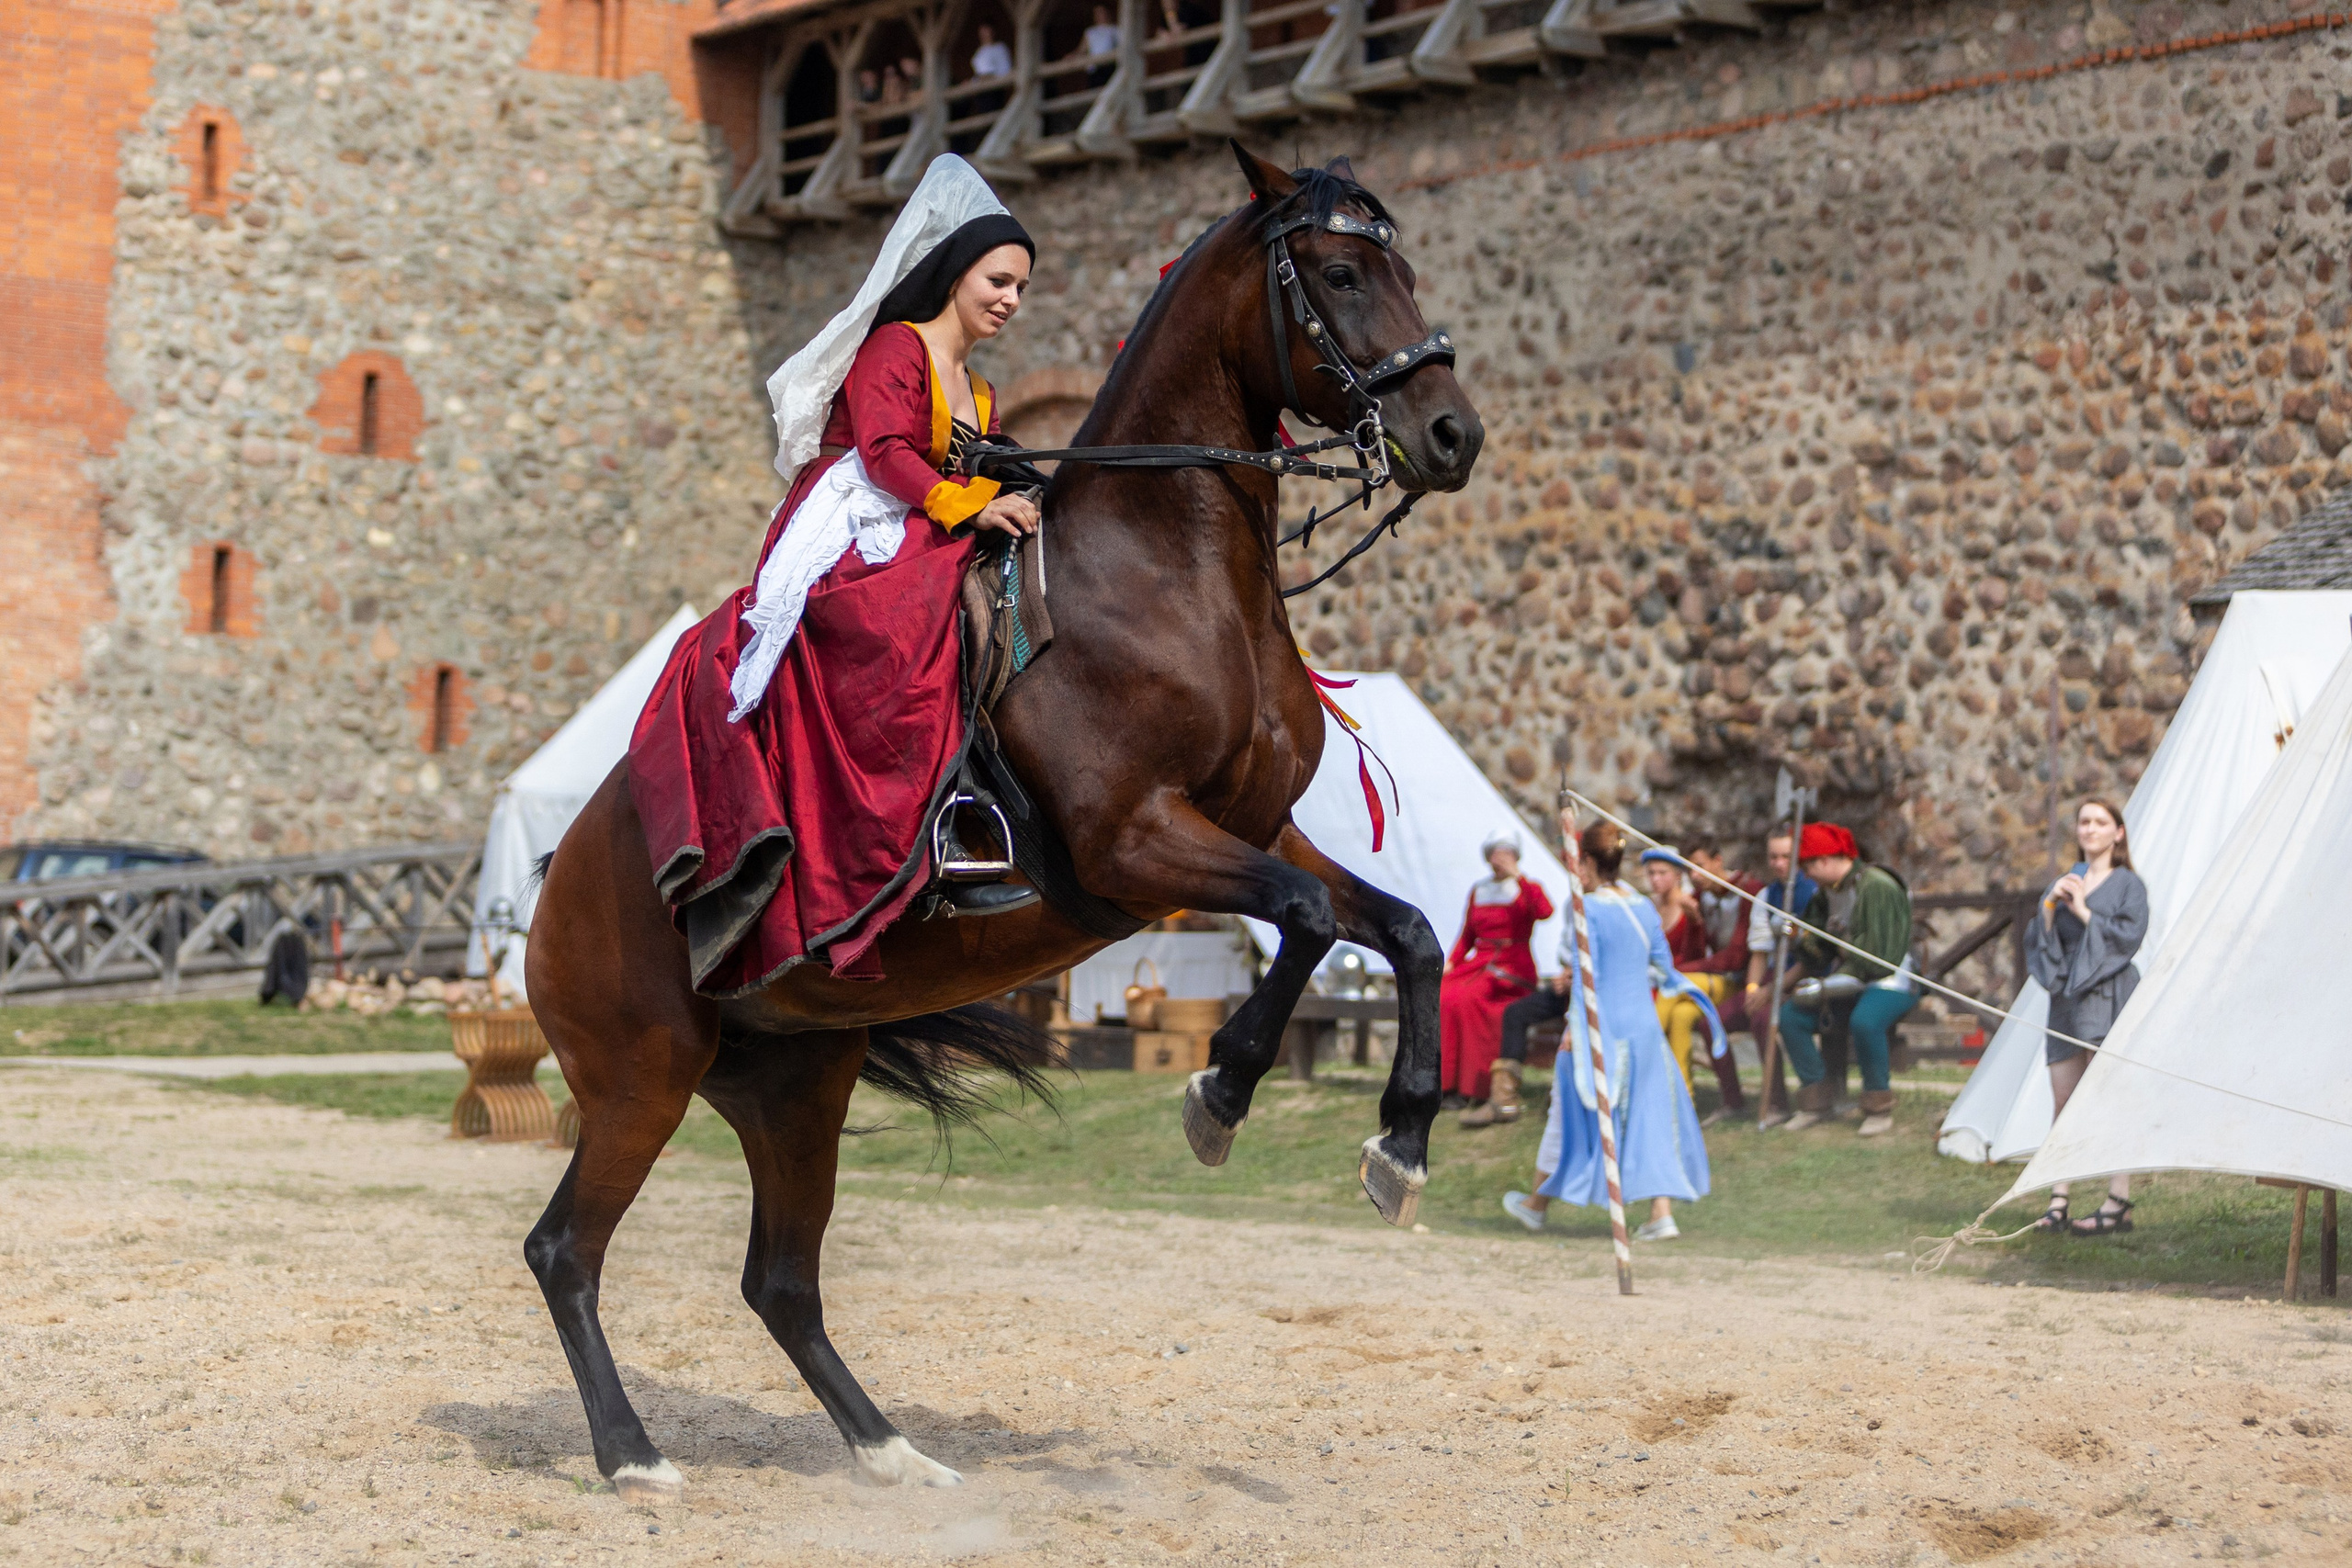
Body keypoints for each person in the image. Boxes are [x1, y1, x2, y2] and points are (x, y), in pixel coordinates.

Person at [629, 157, 1044, 998]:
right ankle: (890, 818)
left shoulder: (985, 390)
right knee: (898, 617)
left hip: (933, 514)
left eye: (1020, 289)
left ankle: (984, 790)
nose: (1008, 298)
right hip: (860, 509)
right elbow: (886, 451)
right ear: (957, 272)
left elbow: (982, 466)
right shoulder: (898, 346)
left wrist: (1017, 494)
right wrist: (967, 504)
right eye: (997, 279)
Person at [1503, 817, 1711, 1242]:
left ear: (1590, 863)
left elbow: (1584, 976)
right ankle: (1660, 1213)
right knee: (1649, 1117)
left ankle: (1536, 1206)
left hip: (1601, 1028)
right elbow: (1662, 967)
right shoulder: (1643, 907)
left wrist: (1574, 1029)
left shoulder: (1586, 909)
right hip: (1644, 1029)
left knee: (1567, 1114)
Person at [2025, 798, 2148, 1236]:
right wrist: (2049, 909)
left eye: (2100, 822)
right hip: (2067, 1002)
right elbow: (2040, 943)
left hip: (2108, 995)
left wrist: (2083, 912)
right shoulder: (2066, 880)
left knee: (2109, 1097)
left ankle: (2119, 1200)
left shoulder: (2129, 885)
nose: (2090, 829)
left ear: (2118, 832)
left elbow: (2128, 938)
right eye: (2084, 822)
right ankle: (2058, 1199)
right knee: (2063, 1100)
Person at [1773, 823, 1917, 1136]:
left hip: (1891, 979)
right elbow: (1819, 953)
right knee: (1792, 1017)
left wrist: (1825, 987)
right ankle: (1817, 1100)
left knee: (1866, 1021)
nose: (1805, 875)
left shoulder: (1877, 886)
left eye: (1807, 866)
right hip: (1852, 978)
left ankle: (1878, 1105)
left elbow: (1879, 958)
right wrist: (1796, 934)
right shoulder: (1826, 895)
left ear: (1824, 860)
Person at [1442, 829, 1554, 1125]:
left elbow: (1545, 912)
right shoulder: (1479, 889)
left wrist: (1519, 877)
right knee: (1444, 995)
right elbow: (1467, 934)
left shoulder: (1526, 888)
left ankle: (1475, 1087)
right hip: (1479, 962)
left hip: (1512, 966)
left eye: (1505, 854)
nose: (1499, 860)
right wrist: (1452, 961)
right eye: (1495, 854)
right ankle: (1446, 1085)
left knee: (1469, 999)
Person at [1647, 844, 1751, 1122]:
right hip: (1709, 981)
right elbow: (1697, 951)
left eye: (1699, 866)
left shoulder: (1746, 890)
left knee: (1670, 990)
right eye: (1690, 868)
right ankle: (1682, 1105)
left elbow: (1734, 958)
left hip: (1737, 982)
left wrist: (1680, 970)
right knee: (1682, 1017)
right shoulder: (1700, 897)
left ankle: (1642, 1056)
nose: (1694, 874)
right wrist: (1695, 923)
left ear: (1718, 861)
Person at [1740, 828, 1817, 1125]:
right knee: (1719, 1017)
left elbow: (1813, 958)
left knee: (1765, 1018)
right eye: (1773, 856)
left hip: (1804, 974)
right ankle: (1737, 1100)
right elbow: (1759, 952)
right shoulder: (1765, 896)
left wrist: (1770, 991)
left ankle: (1778, 1102)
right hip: (1773, 974)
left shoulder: (1813, 892)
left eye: (1786, 856)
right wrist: (1751, 988)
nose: (1779, 863)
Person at [1082, 4, 1121, 86]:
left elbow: (1123, 46)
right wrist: (1071, 57)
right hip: (1094, 68)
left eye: (1102, 12)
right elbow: (1082, 49)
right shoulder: (1090, 32)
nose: (1100, 15)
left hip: (1109, 66)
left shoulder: (1114, 29)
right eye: (1097, 13)